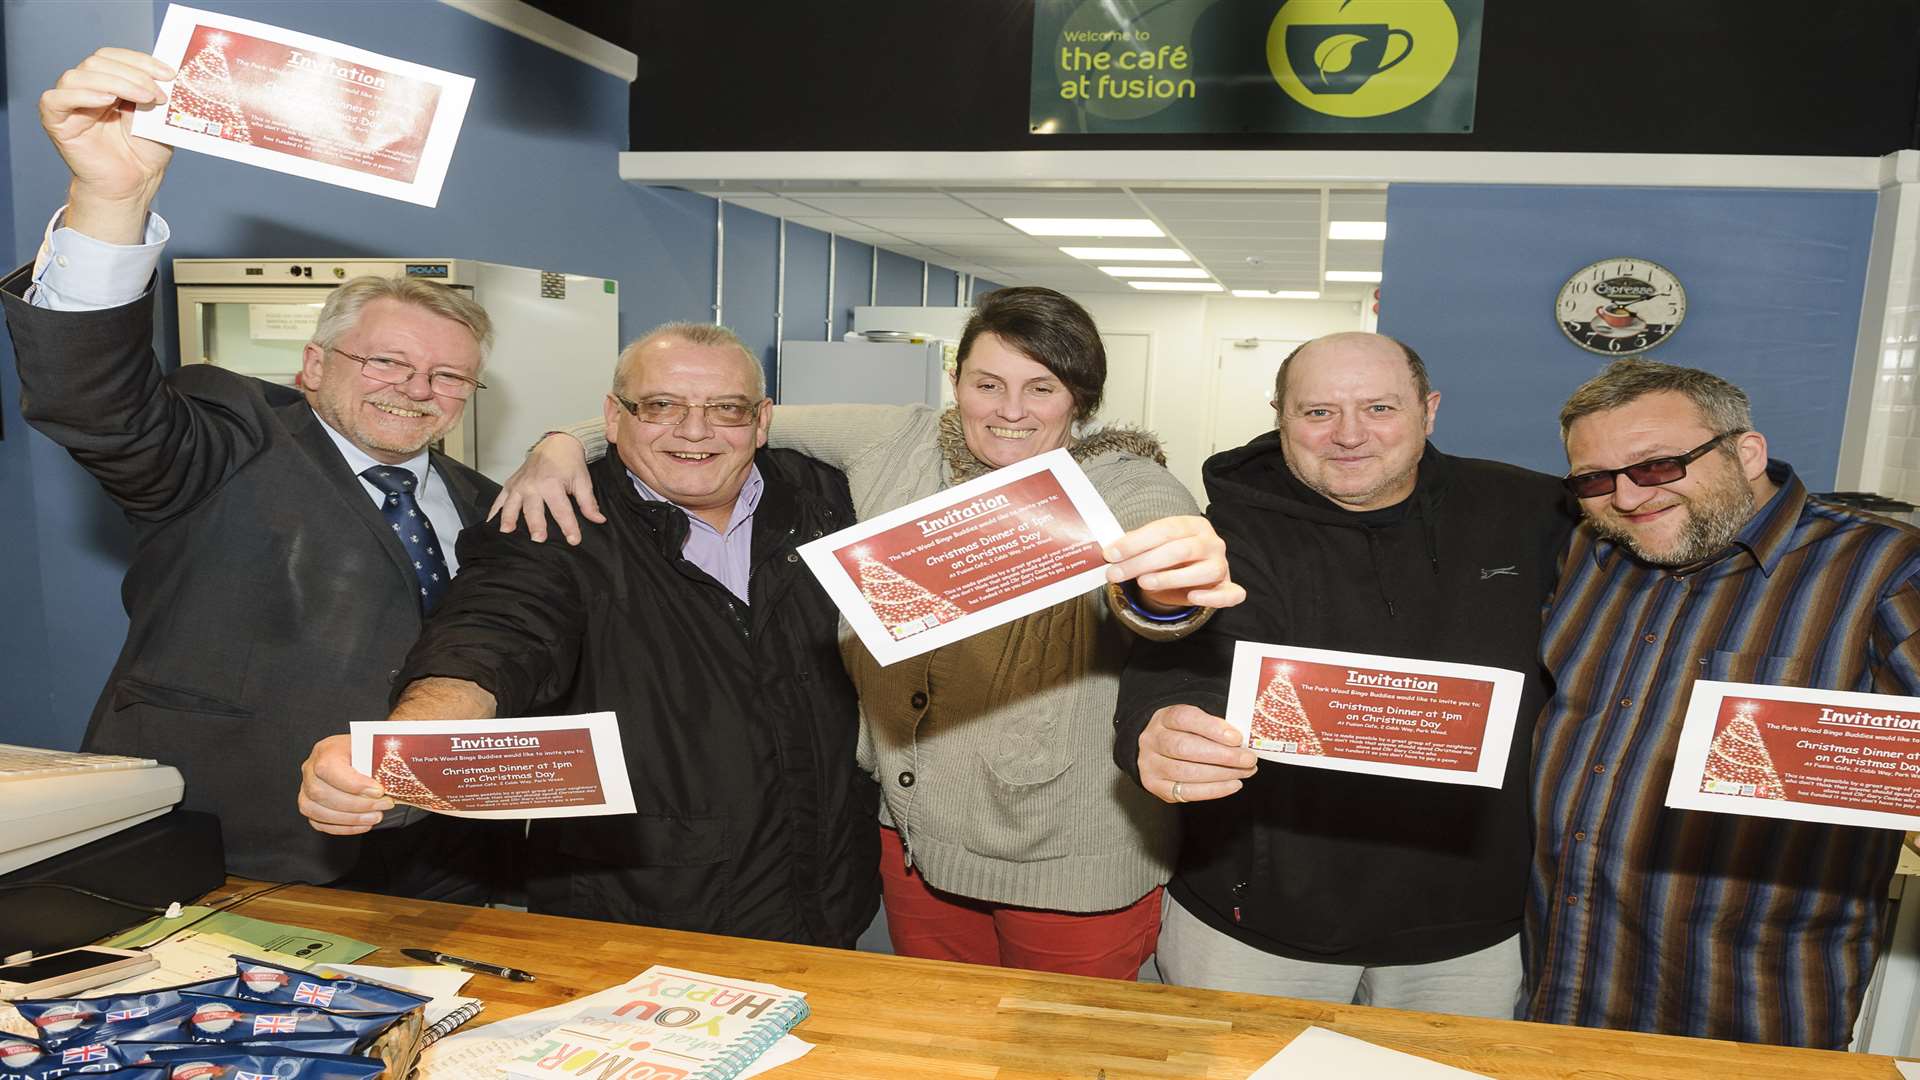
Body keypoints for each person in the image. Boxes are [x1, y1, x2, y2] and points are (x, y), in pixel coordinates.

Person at [495, 287, 1242, 979]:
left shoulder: (1118, 481)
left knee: (1062, 1054)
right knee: (933, 1045)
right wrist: (565, 440)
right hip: (912, 845)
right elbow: (721, 415)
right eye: (988, 383)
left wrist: (1173, 574)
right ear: (957, 382)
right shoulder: (897, 440)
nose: (1010, 410)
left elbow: (1159, 553)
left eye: (1041, 387)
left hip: (1067, 860)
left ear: (1078, 398)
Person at [3, 48, 507, 895]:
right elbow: (101, 410)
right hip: (219, 850)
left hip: (426, 864)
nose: (417, 389)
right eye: (384, 361)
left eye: (448, 375)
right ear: (313, 364)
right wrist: (110, 200)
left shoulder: (486, 507)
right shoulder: (235, 435)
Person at [297, 324, 880, 945]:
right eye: (660, 405)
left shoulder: (830, 499)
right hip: (641, 911)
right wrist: (402, 750)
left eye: (727, 409)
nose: (694, 430)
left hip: (830, 892)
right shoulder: (554, 519)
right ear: (613, 415)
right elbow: (491, 637)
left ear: (762, 420)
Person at [1112, 332, 1573, 1016]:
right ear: (1280, 417)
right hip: (1258, 918)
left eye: (1379, 408)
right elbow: (1180, 658)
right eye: (1318, 412)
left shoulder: (1531, 513)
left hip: (1466, 921)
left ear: (1430, 410)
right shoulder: (1229, 529)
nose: (1349, 436)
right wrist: (1165, 729)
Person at [1526, 357, 1920, 1049]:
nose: (1626, 497)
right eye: (1594, 479)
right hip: (1568, 971)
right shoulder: (1589, 554)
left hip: (1747, 997)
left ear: (1746, 451)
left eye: (1656, 465)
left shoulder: (1883, 569)